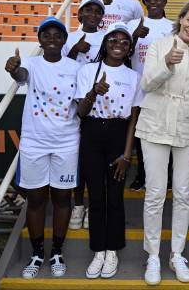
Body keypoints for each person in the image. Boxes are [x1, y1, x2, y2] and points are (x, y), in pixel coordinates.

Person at [135, 0, 189, 285]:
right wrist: (167, 64)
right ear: (180, 19)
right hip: (155, 125)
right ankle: (153, 255)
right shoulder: (159, 45)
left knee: (183, 193)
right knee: (155, 193)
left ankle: (176, 254)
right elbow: (146, 85)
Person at [5, 17, 80, 279]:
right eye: (45, 35)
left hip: (67, 141)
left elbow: (81, 104)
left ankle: (57, 251)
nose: (51, 39)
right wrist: (13, 68)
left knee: (61, 199)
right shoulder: (30, 63)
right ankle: (37, 254)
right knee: (36, 199)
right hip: (34, 142)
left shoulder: (75, 67)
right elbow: (21, 75)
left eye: (57, 35)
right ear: (40, 40)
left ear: (63, 40)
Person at [75, 22, 141, 279]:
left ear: (129, 49)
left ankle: (112, 248)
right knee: (97, 196)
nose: (119, 45)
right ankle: (98, 250)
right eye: (113, 39)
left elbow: (133, 119)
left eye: (125, 42)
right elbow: (81, 112)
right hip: (92, 133)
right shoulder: (88, 70)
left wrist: (127, 155)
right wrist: (93, 92)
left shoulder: (134, 77)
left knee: (115, 196)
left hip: (118, 135)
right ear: (105, 43)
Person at [63, 0, 106, 231]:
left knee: (94, 160)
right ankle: (77, 204)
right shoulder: (68, 38)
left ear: (102, 17)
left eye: (97, 11)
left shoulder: (105, 37)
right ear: (79, 14)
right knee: (78, 159)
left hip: (98, 104)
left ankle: (92, 205)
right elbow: (58, 68)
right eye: (87, 11)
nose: (92, 15)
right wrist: (75, 51)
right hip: (71, 104)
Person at [126, 0, 175, 191]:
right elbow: (122, 53)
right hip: (140, 88)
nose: (153, 2)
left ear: (165, 1)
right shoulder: (132, 25)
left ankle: (168, 175)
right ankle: (142, 175)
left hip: (166, 88)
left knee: (167, 133)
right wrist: (135, 35)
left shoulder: (173, 26)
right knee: (140, 134)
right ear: (143, 2)